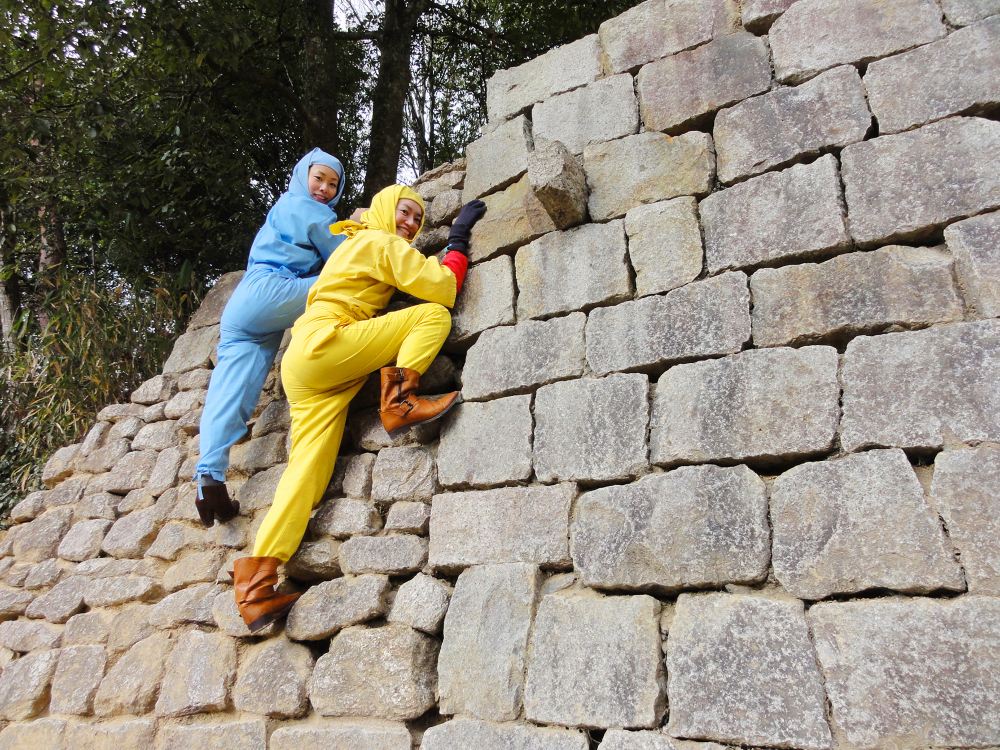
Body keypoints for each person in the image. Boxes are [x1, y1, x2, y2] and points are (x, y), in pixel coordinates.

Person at [233, 184, 486, 632]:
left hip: (306, 364)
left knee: (305, 473)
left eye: (417, 219)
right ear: (385, 210)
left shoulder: (355, 243)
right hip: (327, 342)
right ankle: (400, 400)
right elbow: (442, 288)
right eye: (404, 212)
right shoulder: (378, 241)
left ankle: (255, 588)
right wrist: (458, 239)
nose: (410, 224)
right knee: (432, 316)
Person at [194, 148, 348, 527]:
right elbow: (344, 254)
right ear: (302, 176)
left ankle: (208, 479)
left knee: (230, 392)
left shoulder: (282, 206)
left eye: (333, 184)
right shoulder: (310, 209)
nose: (324, 189)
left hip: (243, 308)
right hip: (272, 289)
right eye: (319, 178)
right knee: (351, 276)